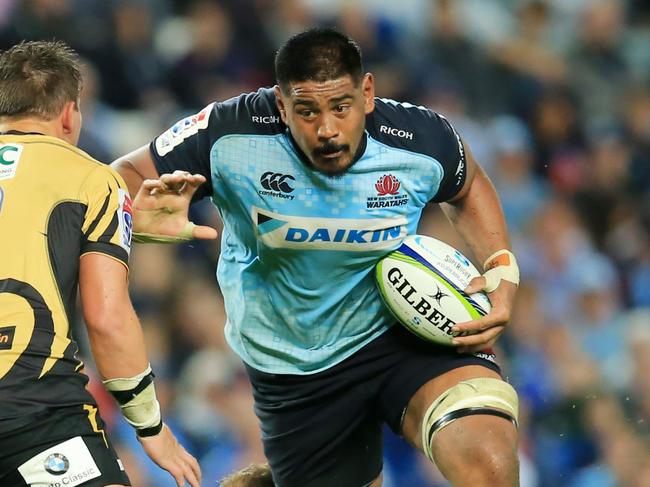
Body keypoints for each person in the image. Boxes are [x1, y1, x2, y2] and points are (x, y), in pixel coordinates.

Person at [114, 28, 521, 487]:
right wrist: (132, 215)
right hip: (295, 368)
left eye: (340, 107)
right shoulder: (231, 133)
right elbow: (124, 175)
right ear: (281, 105)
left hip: (403, 326)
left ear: (367, 93)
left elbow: (467, 185)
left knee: (489, 461)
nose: (326, 129)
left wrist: (501, 267)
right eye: (306, 111)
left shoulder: (417, 137)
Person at [0, 41, 204, 487]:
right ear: (71, 113)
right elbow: (107, 317)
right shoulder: (92, 178)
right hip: (34, 409)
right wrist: (151, 427)